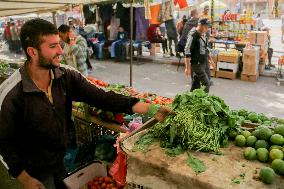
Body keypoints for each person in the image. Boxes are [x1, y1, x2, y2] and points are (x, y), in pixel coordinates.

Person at [0, 18, 170, 189]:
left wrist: (150, 108)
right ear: (33, 52)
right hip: (31, 169)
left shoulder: (66, 76)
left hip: (59, 160)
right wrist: (24, 178)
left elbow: (102, 98)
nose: (61, 50)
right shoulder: (11, 95)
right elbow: (4, 143)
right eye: (52, 46)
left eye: (59, 43)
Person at [184, 18, 215, 93]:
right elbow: (187, 51)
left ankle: (190, 99)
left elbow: (206, 48)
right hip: (197, 64)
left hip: (204, 62)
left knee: (196, 84)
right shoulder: (193, 35)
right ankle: (204, 102)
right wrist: (187, 67)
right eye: (205, 27)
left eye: (208, 27)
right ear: (200, 25)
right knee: (206, 83)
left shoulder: (203, 34)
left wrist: (211, 60)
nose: (207, 29)